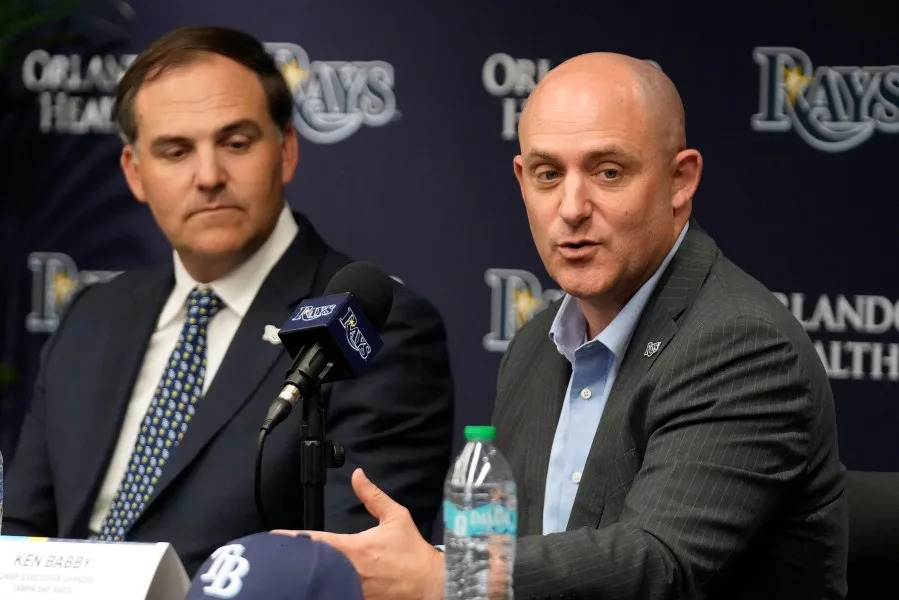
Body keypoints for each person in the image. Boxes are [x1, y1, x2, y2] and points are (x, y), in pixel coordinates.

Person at [278, 52, 848, 599]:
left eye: (607, 171)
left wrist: (453, 576)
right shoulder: (535, 344)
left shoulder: (741, 343)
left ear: (681, 180)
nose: (572, 207)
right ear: (522, 179)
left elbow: (658, 564)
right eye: (549, 175)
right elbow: (524, 554)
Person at [2, 25, 455, 577]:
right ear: (134, 172)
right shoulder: (92, 315)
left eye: (236, 143)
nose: (209, 176)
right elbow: (20, 537)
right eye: (175, 151)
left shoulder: (374, 324)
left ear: (286, 150)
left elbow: (357, 574)